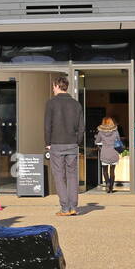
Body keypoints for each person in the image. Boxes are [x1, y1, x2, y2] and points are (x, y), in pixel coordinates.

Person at [44, 74, 85, 216]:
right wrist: (77, 142)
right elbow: (81, 127)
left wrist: (48, 143)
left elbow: (47, 125)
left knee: (59, 176)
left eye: (53, 87)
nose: (53, 90)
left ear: (57, 86)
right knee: (72, 175)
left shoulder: (51, 103)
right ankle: (73, 207)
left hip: (56, 143)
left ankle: (65, 208)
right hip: (72, 144)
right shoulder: (76, 104)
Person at [95, 115, 122, 193]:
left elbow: (97, 142)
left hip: (104, 153)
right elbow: (118, 141)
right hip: (114, 153)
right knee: (112, 171)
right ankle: (111, 188)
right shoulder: (115, 132)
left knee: (105, 171)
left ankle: (107, 183)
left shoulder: (100, 132)